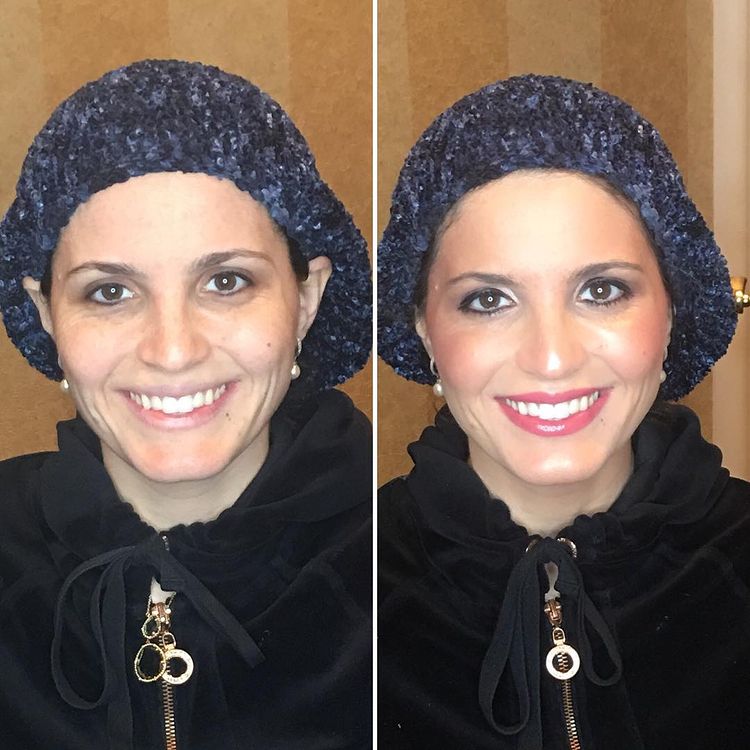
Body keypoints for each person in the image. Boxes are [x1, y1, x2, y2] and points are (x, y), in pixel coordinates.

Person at [0, 59, 371, 750]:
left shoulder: (421, 577)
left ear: (306, 301)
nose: (173, 350)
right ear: (46, 315)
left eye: (226, 281)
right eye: (110, 292)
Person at [378, 74, 750, 749]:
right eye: (488, 300)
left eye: (602, 290)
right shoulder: (333, 595)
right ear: (425, 331)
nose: (552, 358)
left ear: (673, 310)